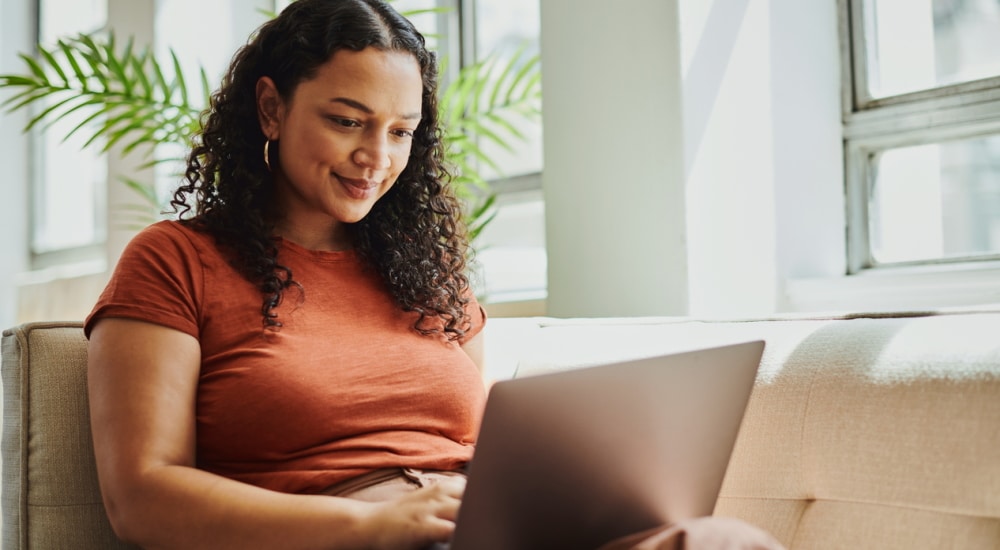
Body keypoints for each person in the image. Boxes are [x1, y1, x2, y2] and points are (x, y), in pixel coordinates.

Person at [85, 1, 784, 548]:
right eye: (347, 121)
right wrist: (373, 526)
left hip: (482, 531)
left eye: (400, 131)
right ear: (271, 107)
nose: (376, 157)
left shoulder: (427, 274)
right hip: (341, 541)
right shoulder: (174, 261)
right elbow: (141, 498)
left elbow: (486, 448)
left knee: (723, 540)